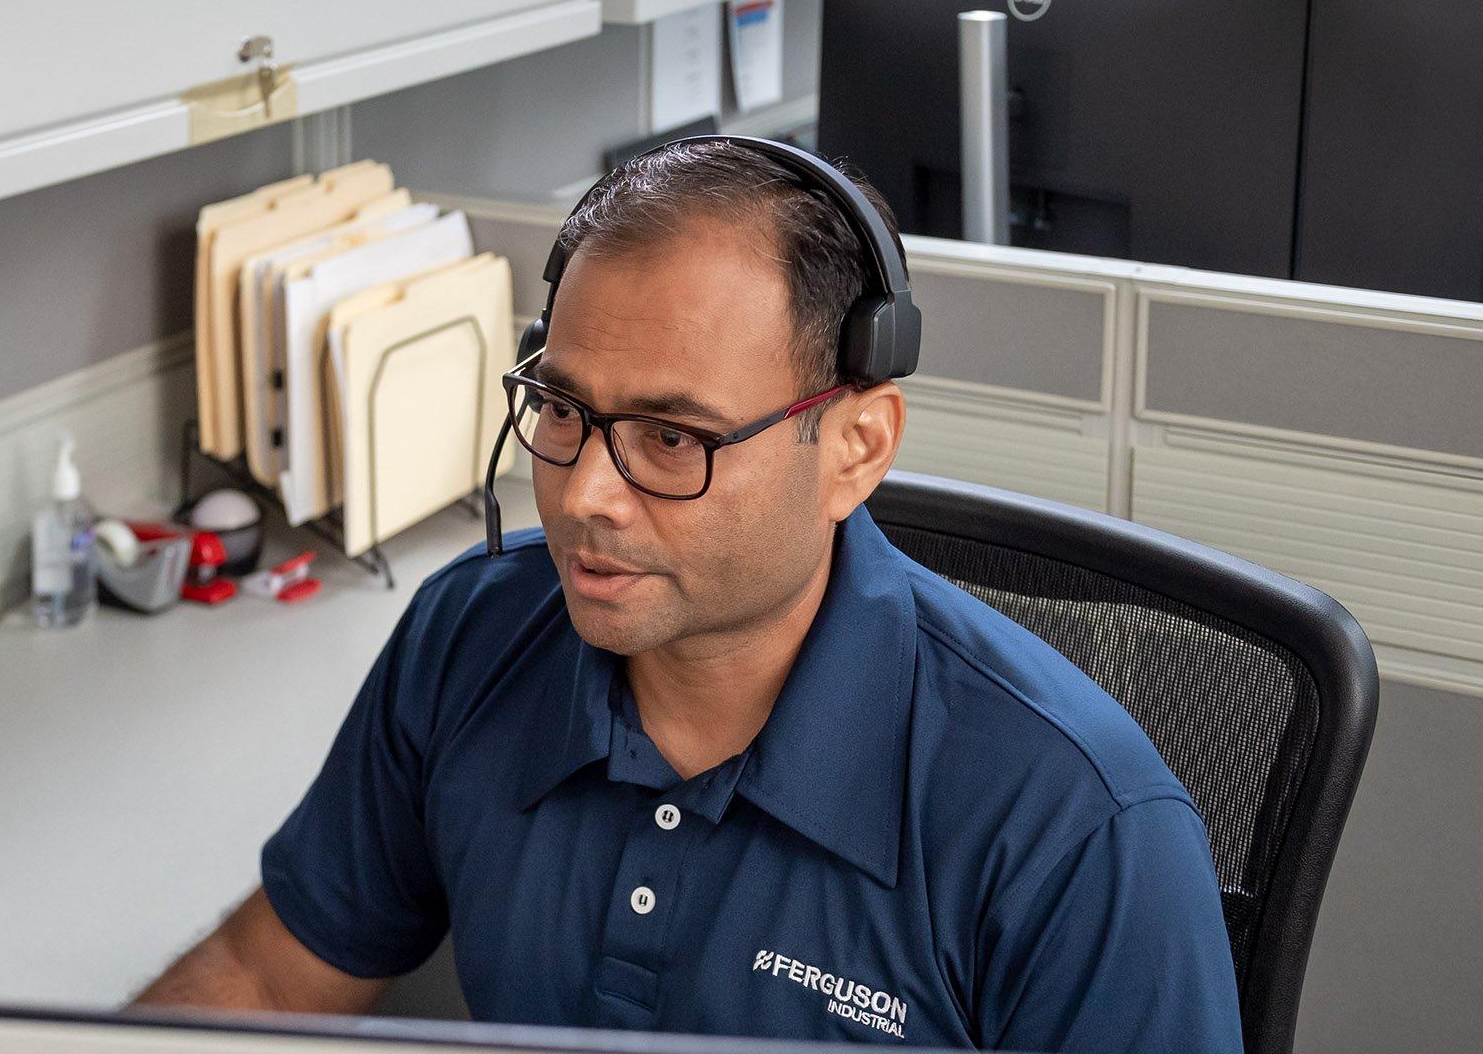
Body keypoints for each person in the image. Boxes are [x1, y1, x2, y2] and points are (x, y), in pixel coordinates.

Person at [134, 138, 1243, 1051]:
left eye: (673, 437)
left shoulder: (1079, 829)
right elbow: (268, 983)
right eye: (562, 411)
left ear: (855, 448)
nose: (586, 496)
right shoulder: (468, 636)